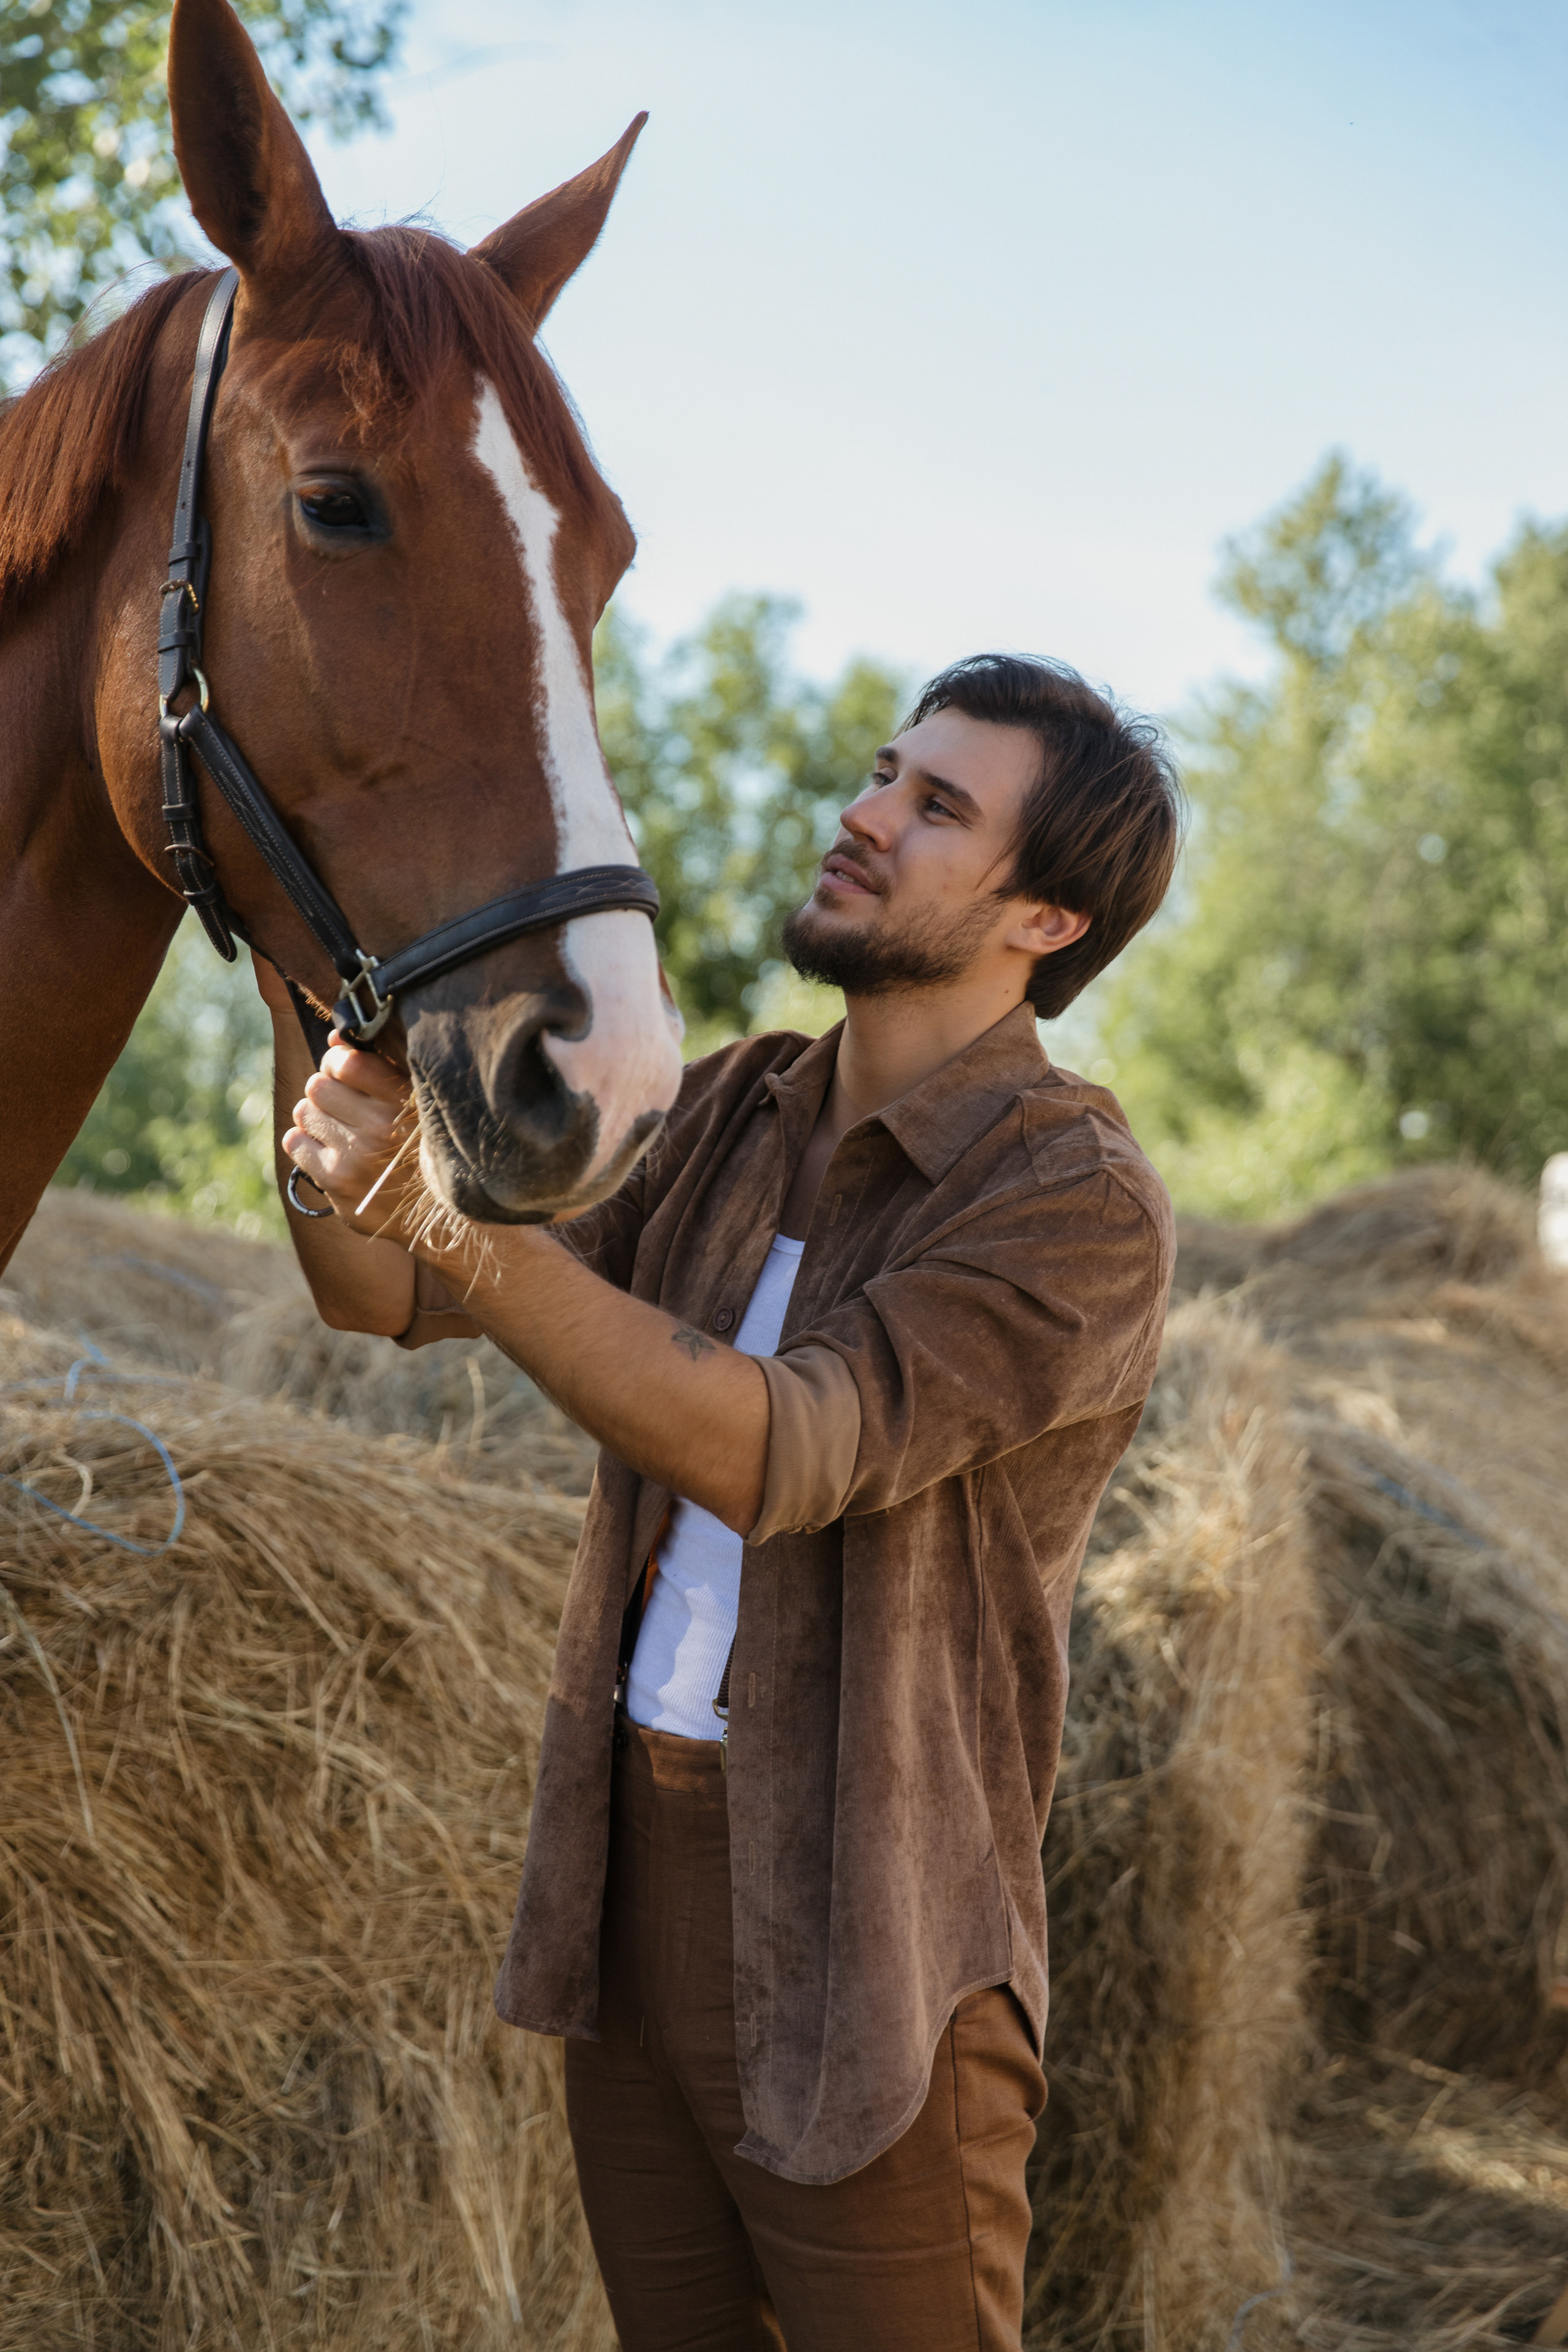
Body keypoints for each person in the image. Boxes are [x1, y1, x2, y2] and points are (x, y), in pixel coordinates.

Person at [258, 652, 1183, 2352]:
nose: (862, 814)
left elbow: (779, 1449)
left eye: (936, 806)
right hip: (633, 1879)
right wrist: (312, 1013)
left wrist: (452, 1221)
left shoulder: (1073, 1197)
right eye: (884, 771)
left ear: (1044, 920)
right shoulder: (733, 1106)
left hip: (872, 1936)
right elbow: (381, 1296)